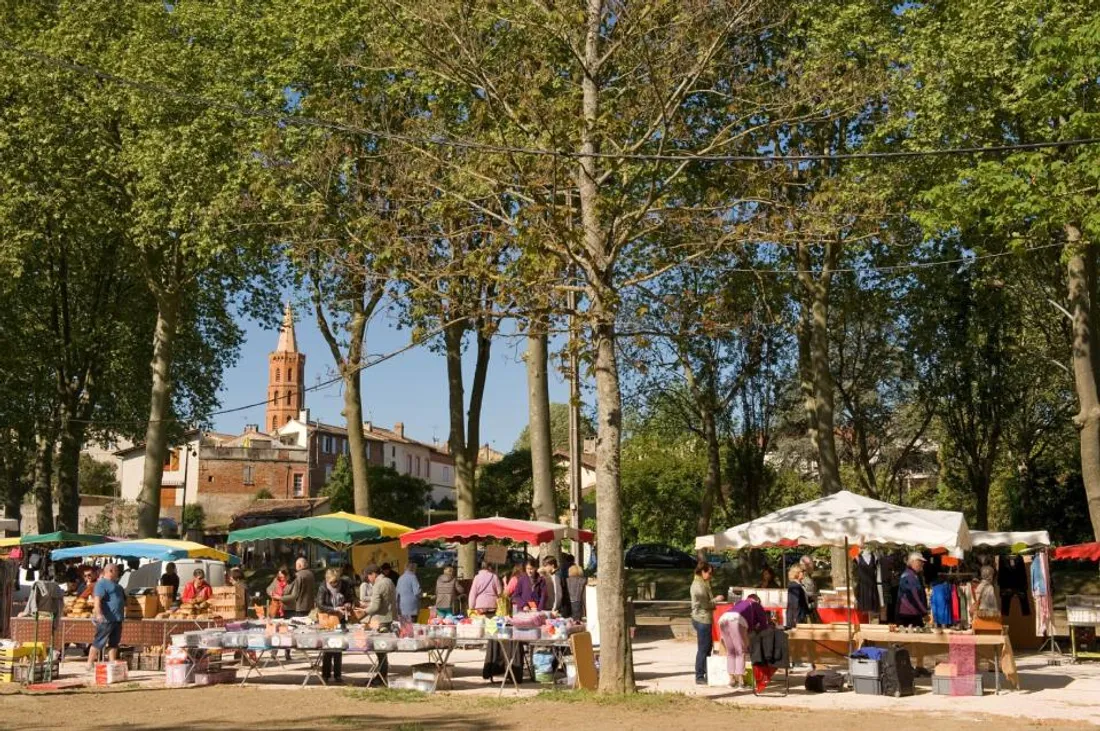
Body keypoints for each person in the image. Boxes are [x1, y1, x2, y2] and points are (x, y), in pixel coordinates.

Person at [718, 593, 770, 689]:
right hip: (736, 620)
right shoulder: (756, 604)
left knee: (730, 652)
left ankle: (731, 680)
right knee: (740, 651)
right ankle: (741, 682)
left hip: (723, 619)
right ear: (757, 600)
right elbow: (763, 624)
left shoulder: (740, 602)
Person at [361, 564, 395, 686]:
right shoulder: (389, 581)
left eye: (368, 576)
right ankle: (382, 675)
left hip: (380, 620)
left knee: (380, 650)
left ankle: (380, 677)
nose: (368, 579)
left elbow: (375, 606)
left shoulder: (378, 584)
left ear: (373, 574)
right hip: (389, 618)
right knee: (382, 650)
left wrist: (363, 612)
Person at [316, 568, 351, 683]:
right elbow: (320, 605)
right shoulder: (323, 587)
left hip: (340, 620)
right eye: (332, 582)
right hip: (328, 619)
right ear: (327, 580)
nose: (334, 585)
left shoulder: (345, 584)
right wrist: (334, 609)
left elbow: (350, 597)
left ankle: (337, 675)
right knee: (327, 648)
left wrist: (347, 604)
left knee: (338, 648)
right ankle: (325, 675)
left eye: (336, 582)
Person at [89, 563, 125, 669]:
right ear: (111, 571)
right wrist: (99, 613)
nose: (118, 573)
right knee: (99, 641)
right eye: (117, 571)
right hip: (106, 618)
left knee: (114, 642)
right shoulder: (102, 584)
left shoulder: (117, 585)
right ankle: (89, 663)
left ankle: (112, 663)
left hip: (117, 618)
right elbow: (97, 600)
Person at [690, 560, 721, 686]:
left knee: (707, 647)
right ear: (702, 571)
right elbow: (706, 604)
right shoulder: (699, 586)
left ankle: (707, 673)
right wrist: (716, 600)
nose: (710, 575)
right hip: (702, 619)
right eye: (709, 573)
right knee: (703, 648)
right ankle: (699, 675)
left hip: (705, 618)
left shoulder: (703, 582)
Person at [896, 551, 929, 627]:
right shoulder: (909, 576)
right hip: (909, 615)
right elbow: (914, 597)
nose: (922, 564)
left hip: (910, 613)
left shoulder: (912, 575)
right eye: (920, 561)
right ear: (913, 562)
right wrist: (924, 613)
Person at [972, 565, 1002, 633]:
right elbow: (978, 598)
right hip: (985, 612)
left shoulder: (986, 586)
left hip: (988, 612)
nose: (992, 577)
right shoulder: (986, 586)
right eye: (991, 575)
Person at [784, 565, 812, 629]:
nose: (804, 573)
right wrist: (795, 619)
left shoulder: (799, 585)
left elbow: (802, 599)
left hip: (800, 615)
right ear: (796, 573)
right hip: (796, 617)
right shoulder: (794, 585)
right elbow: (794, 603)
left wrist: (811, 599)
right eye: (802, 571)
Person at [799, 555, 818, 620]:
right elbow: (806, 594)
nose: (813, 566)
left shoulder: (809, 576)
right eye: (812, 564)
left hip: (810, 608)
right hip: (806, 612)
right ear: (806, 565)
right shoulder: (802, 578)